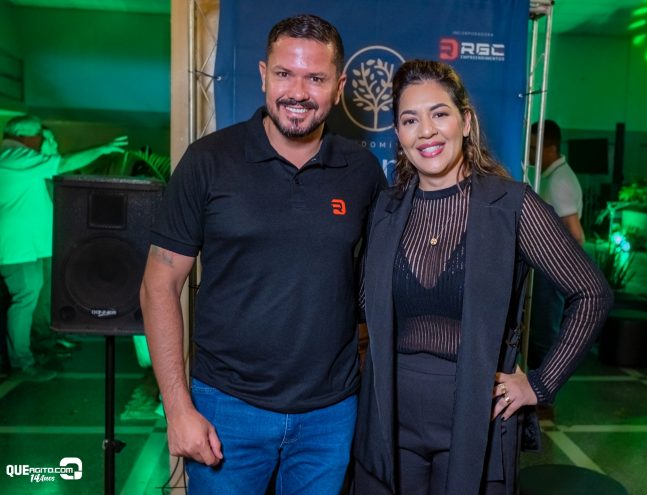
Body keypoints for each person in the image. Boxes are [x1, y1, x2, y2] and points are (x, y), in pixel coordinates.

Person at [139, 14, 387, 494]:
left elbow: (385, 280)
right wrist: (177, 408)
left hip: (330, 414)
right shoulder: (209, 160)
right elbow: (158, 284)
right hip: (226, 408)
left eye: (315, 78)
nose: (298, 92)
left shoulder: (361, 170)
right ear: (262, 75)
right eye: (284, 74)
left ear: (338, 88)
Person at [352, 60, 612, 495]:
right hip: (387, 417)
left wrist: (539, 384)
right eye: (410, 120)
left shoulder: (511, 207)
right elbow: (362, 303)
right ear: (398, 134)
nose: (426, 131)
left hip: (477, 420)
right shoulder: (385, 209)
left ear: (466, 122)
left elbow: (592, 293)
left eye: (439, 114)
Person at [0, 115, 127, 381]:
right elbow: (64, 163)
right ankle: (21, 362)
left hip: (31, 247)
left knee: (35, 302)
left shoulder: (18, 159)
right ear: (27, 137)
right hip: (19, 249)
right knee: (25, 301)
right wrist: (101, 149)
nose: (42, 141)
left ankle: (35, 349)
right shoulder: (16, 157)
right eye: (41, 136)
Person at [526, 119, 584, 369]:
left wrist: (560, 271)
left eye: (533, 148)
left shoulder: (560, 181)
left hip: (552, 272)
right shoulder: (552, 177)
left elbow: (576, 235)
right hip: (547, 269)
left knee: (544, 336)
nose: (529, 153)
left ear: (549, 148)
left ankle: (544, 391)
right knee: (538, 333)